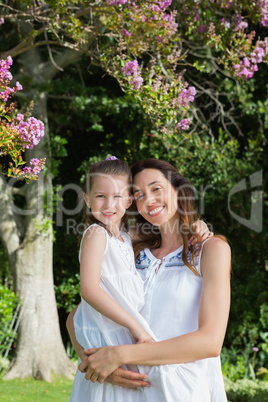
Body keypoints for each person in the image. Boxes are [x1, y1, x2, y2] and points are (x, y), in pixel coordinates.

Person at [68, 157, 215, 402]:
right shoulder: (116, 240)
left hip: (167, 371)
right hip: (123, 353)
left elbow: (210, 342)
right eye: (139, 194)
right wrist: (93, 359)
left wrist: (196, 225)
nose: (148, 200)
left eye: (156, 189)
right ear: (86, 198)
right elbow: (81, 307)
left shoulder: (127, 239)